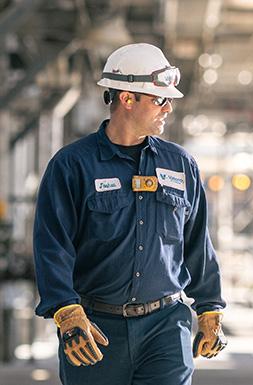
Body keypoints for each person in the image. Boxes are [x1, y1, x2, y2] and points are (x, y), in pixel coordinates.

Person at [33, 43, 227, 385]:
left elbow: (197, 242)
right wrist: (65, 311)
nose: (168, 108)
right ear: (126, 99)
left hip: (165, 327)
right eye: (159, 99)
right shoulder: (73, 165)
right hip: (95, 330)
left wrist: (209, 308)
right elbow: (52, 245)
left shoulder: (181, 165)